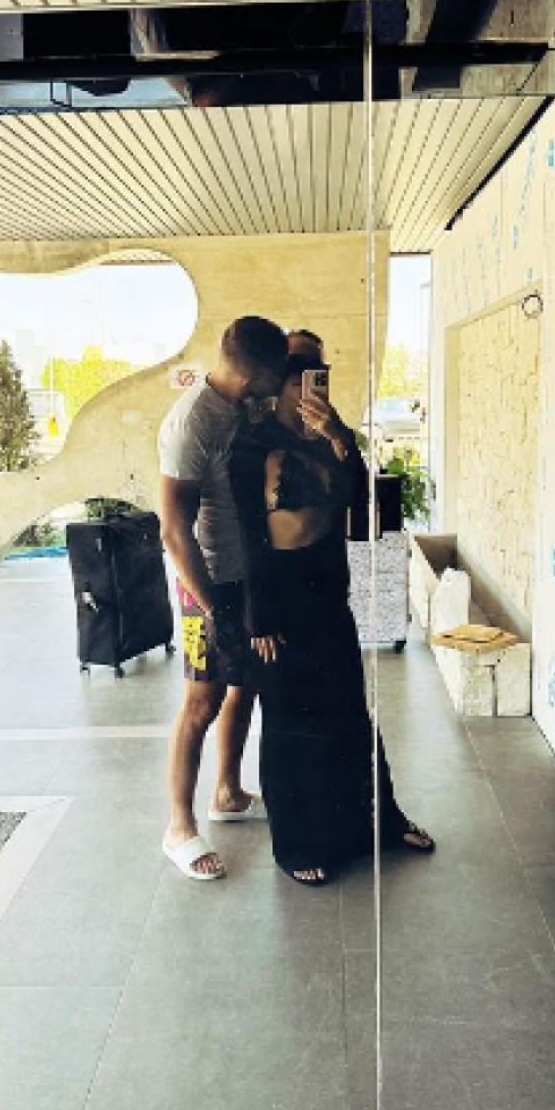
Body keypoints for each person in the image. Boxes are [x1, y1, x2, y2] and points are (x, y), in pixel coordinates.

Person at [230, 343, 434, 886]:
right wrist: (258, 616)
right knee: (289, 725)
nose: (310, 393)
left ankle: (382, 823)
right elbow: (245, 534)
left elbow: (365, 509)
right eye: (299, 382)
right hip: (277, 600)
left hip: (326, 593)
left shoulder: (328, 436)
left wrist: (341, 438)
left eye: (317, 381)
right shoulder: (253, 443)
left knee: (349, 715)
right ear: (279, 388)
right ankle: (298, 845)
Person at [158, 316, 288, 881]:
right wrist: (213, 609)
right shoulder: (192, 422)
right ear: (256, 373)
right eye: (279, 372)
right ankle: (178, 827)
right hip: (206, 583)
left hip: (246, 575)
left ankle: (228, 792)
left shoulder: (245, 407)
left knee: (245, 684)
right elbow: (173, 530)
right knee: (201, 701)